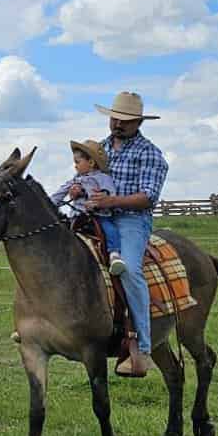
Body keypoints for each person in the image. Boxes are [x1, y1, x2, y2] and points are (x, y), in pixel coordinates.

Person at [80, 91, 168, 379]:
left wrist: (111, 202)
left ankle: (142, 344)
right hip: (96, 214)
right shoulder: (99, 149)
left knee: (129, 270)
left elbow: (148, 197)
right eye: (115, 118)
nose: (119, 124)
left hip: (131, 220)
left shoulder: (150, 153)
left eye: (126, 121)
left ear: (139, 122)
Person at [53, 139, 126, 277]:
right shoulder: (76, 180)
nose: (75, 166)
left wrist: (96, 200)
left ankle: (114, 254)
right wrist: (48, 204)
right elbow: (61, 192)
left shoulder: (103, 178)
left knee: (109, 228)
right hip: (77, 216)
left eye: (77, 162)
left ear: (91, 162)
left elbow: (109, 192)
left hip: (98, 216)